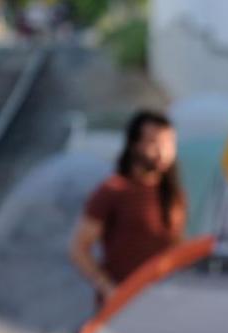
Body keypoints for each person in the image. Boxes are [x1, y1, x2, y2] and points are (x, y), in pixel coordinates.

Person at [70, 110, 186, 303]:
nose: (162, 152)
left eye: (168, 144)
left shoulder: (174, 194)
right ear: (135, 144)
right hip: (122, 304)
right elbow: (78, 248)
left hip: (161, 301)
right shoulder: (114, 191)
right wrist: (108, 289)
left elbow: (176, 245)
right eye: (154, 142)